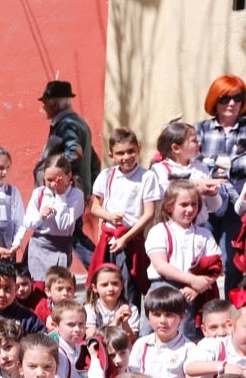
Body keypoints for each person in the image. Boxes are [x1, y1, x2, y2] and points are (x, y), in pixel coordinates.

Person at [88, 128, 158, 309]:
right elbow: (95, 207)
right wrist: (109, 216)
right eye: (120, 153)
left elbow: (149, 213)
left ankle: (129, 326)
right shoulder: (106, 176)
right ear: (111, 155)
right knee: (105, 284)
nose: (126, 157)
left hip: (130, 239)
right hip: (109, 239)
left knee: (128, 284)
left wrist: (125, 238)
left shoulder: (147, 177)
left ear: (138, 150)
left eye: (130, 151)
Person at [145, 181, 222, 340]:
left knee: (187, 336)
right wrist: (193, 280)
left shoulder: (204, 234)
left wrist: (197, 288)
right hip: (163, 289)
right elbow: (160, 265)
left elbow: (215, 266)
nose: (190, 209)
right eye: (184, 204)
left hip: (192, 293)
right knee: (155, 335)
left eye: (194, 204)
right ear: (169, 207)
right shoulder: (159, 231)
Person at [38, 79, 99, 266]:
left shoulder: (67, 124)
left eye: (45, 104)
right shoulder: (77, 121)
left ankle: (101, 267)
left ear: (54, 104)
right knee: (71, 233)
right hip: (77, 187)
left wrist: (56, 176)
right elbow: (94, 159)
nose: (44, 109)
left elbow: (73, 153)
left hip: (69, 189)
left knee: (73, 235)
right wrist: (92, 187)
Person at [197, 76, 246, 296]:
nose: (232, 103)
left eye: (238, 98)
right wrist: (232, 164)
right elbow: (192, 162)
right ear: (214, 101)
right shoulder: (200, 129)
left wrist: (217, 164)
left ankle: (233, 314)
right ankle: (203, 313)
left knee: (232, 260)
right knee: (202, 257)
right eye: (225, 98)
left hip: (238, 202)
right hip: (205, 200)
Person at [22, 154, 85, 282]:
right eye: (48, 180)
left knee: (56, 286)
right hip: (38, 245)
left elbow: (64, 224)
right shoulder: (39, 193)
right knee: (37, 287)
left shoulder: (76, 195)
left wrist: (61, 196)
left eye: (58, 180)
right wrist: (40, 216)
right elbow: (28, 223)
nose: (52, 184)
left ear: (69, 176)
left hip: (60, 247)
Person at [85, 264, 139, 340]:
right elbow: (92, 339)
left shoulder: (131, 309)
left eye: (115, 283)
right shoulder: (90, 309)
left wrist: (125, 322)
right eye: (104, 285)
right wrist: (115, 322)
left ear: (122, 285)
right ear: (94, 288)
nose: (110, 288)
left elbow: (132, 341)